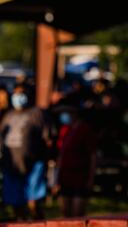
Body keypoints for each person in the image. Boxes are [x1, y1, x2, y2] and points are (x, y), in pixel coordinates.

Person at [0, 84, 49, 219]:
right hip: (12, 165)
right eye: (16, 94)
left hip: (33, 164)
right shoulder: (8, 115)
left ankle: (38, 222)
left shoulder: (36, 113)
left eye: (21, 93)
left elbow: (46, 137)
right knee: (16, 203)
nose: (18, 97)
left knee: (33, 202)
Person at [55, 106, 97, 217]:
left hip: (80, 177)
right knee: (65, 213)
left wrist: (91, 178)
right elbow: (61, 154)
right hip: (65, 177)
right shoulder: (65, 130)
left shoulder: (84, 129)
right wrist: (56, 177)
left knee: (77, 214)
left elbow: (92, 155)